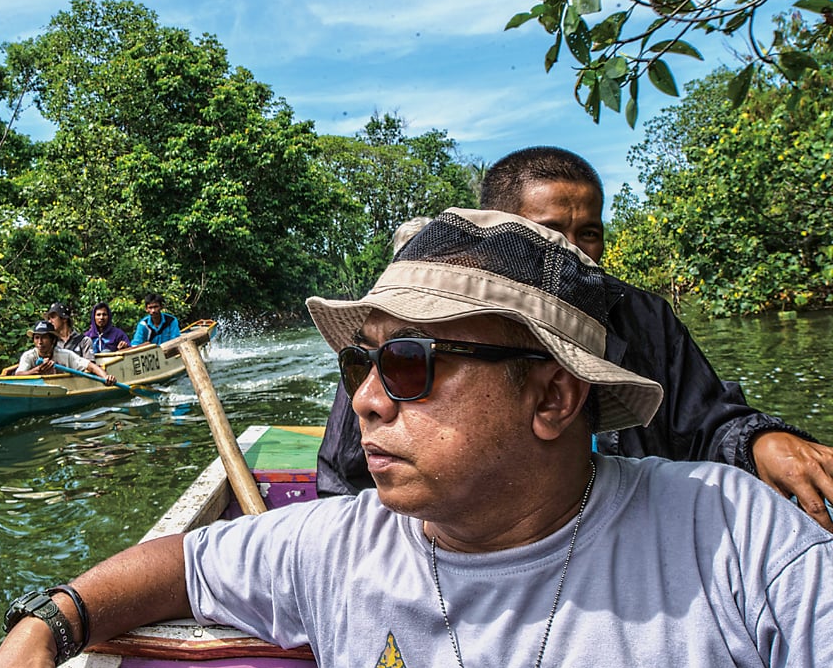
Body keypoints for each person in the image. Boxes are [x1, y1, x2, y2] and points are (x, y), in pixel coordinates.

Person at [0, 208, 832, 668]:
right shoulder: (341, 544)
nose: (368, 401)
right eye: (359, 365)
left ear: (555, 397)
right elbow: (183, 564)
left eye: (410, 362)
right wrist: (50, 620)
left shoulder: (739, 542)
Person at [318, 147, 833, 531]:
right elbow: (346, 476)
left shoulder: (640, 315)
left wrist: (759, 440)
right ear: (493, 232)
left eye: (588, 233)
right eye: (546, 232)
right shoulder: (406, 324)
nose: (572, 251)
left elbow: (703, 422)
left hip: (624, 533)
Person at [1, 320, 114, 385]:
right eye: (37, 338)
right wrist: (37, 371)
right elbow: (18, 375)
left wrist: (105, 378)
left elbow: (91, 366)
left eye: (44, 338)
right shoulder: (29, 356)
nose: (40, 342)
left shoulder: (65, 355)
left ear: (53, 340)